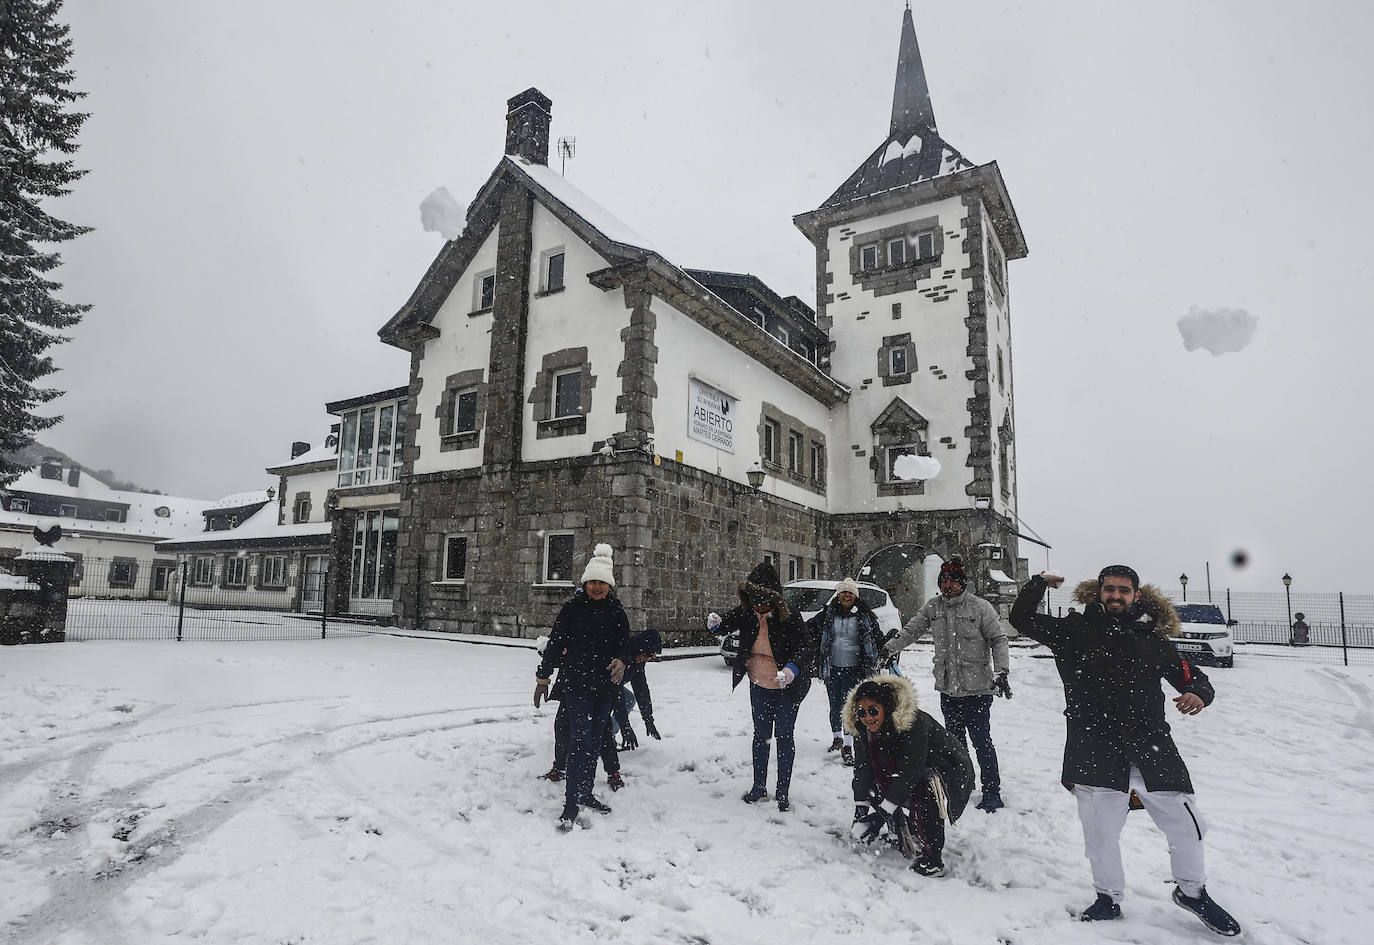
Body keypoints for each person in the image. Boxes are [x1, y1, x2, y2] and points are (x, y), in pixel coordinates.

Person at [1010, 567, 1241, 936]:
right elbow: (1019, 618)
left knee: (1187, 826)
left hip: (1152, 747)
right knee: (1101, 836)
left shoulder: (1153, 639)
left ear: (1136, 595)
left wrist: (1199, 692)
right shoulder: (1074, 631)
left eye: (1124, 590)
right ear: (1098, 592)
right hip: (1095, 750)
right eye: (1109, 589)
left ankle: (1192, 892)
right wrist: (1038, 584)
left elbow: (1189, 675)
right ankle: (1107, 897)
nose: (1116, 595)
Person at [883, 558, 1010, 812]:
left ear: (962, 583)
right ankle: (964, 783)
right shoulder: (933, 607)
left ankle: (992, 791)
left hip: (977, 690)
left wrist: (1002, 671)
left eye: (953, 580)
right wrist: (889, 647)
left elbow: (998, 639)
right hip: (948, 689)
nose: (948, 585)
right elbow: (911, 631)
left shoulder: (980, 607)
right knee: (954, 742)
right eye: (944, 581)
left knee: (981, 741)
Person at [534, 543, 632, 832]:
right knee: (580, 740)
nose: (597, 587)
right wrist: (543, 677)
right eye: (592, 582)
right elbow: (555, 644)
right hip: (577, 684)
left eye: (602, 582)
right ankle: (570, 806)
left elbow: (625, 644)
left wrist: (623, 660)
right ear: (585, 583)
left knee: (595, 741)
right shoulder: (573, 609)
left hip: (605, 688)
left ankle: (585, 793)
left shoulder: (616, 610)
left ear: (609, 585)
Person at [709, 560, 817, 812]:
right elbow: (725, 622)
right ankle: (759, 787)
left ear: (775, 600)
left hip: (786, 688)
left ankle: (782, 792)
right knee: (761, 736)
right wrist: (714, 622)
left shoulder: (789, 616)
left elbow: (806, 647)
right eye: (754, 600)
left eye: (764, 601)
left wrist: (792, 669)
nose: (759, 606)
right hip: (758, 684)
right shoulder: (748, 612)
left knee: (784, 737)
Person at [846, 673, 973, 877]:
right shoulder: (863, 728)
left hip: (949, 770)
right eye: (862, 712)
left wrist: (880, 815)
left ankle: (933, 860)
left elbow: (910, 773)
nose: (868, 717)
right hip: (914, 767)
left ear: (885, 708)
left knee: (925, 789)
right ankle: (900, 832)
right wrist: (861, 811)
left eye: (873, 710)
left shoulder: (912, 722)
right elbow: (863, 769)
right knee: (881, 778)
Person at [808, 577, 883, 766]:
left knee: (850, 708)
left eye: (850, 592)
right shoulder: (827, 614)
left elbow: (877, 638)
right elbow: (809, 627)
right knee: (834, 704)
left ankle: (849, 745)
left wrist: (887, 645)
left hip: (854, 670)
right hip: (831, 668)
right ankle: (836, 738)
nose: (847, 595)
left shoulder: (864, 616)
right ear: (838, 595)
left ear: (855, 596)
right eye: (843, 592)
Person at [611, 628, 663, 751]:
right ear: (641, 648)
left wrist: (648, 718)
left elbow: (641, 689)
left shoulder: (638, 661)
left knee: (629, 699)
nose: (646, 659)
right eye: (646, 655)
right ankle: (599, 740)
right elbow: (615, 693)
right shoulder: (623, 654)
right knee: (607, 704)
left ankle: (608, 734)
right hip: (597, 685)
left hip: (613, 687)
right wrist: (625, 725)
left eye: (651, 657)